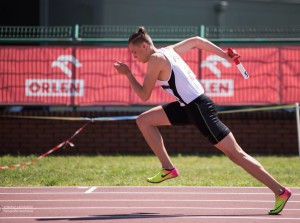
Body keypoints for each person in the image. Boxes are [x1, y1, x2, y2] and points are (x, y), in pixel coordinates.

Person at [113, 26, 291, 215]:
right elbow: (197, 40)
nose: (133, 57)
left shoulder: (156, 59)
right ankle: (168, 168)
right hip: (186, 106)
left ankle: (280, 191)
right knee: (144, 121)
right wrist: (224, 55)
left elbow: (144, 95)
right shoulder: (168, 50)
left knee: (236, 154)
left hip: (199, 109)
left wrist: (128, 75)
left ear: (144, 46)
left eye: (134, 52)